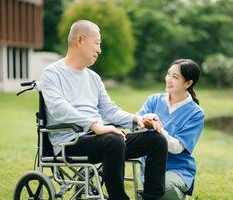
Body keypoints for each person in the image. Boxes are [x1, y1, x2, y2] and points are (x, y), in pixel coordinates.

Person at [40, 20, 168, 200]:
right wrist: (94, 125)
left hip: (100, 139)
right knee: (114, 140)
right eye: (97, 43)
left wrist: (137, 120)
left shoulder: (93, 78)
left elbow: (109, 110)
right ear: (80, 40)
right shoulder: (52, 73)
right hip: (69, 142)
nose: (99, 50)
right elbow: (58, 108)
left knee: (156, 140)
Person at [137, 59, 204, 199]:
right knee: (155, 188)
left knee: (164, 188)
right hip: (151, 168)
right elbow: (136, 127)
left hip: (178, 169)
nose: (169, 80)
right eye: (169, 74)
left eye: (175, 77)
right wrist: (145, 120)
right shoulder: (153, 100)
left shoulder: (196, 113)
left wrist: (158, 127)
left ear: (188, 83)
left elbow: (178, 147)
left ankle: (177, 194)